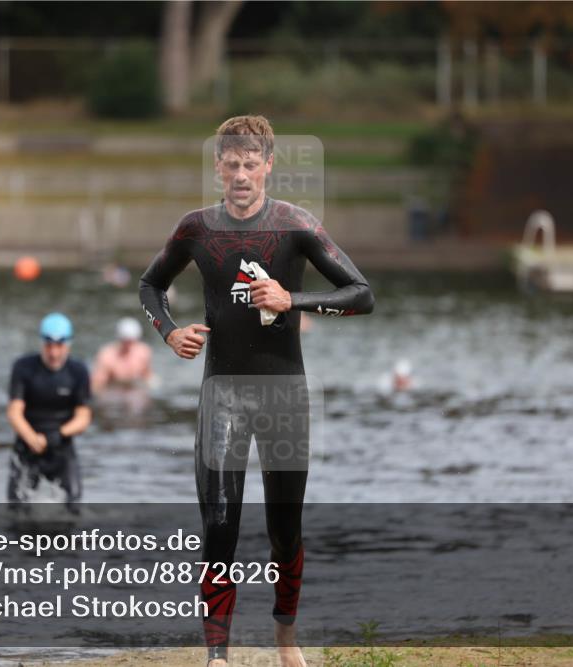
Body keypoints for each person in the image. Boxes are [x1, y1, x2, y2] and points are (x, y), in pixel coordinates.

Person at [139, 115, 374, 667]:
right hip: (222, 393)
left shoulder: (295, 225)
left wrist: (291, 300)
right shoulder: (196, 228)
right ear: (217, 166)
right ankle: (217, 655)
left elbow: (361, 294)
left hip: (284, 396)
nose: (241, 174)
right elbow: (150, 284)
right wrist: (170, 330)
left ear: (268, 166)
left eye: (251, 164)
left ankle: (285, 639)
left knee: (284, 531)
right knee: (219, 527)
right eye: (232, 164)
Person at [6, 313, 92, 512]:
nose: (54, 353)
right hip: (27, 448)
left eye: (59, 345)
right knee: (16, 512)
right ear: (41, 343)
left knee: (74, 509)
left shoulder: (77, 371)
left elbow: (83, 417)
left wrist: (57, 435)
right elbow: (14, 412)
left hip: (61, 446)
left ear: (68, 344)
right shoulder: (24, 368)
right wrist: (32, 438)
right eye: (48, 345)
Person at [90, 317, 154, 394]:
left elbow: (147, 375)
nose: (128, 345)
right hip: (113, 389)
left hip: (133, 388)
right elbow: (97, 382)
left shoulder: (143, 352)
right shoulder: (108, 355)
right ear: (120, 339)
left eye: (131, 341)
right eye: (125, 341)